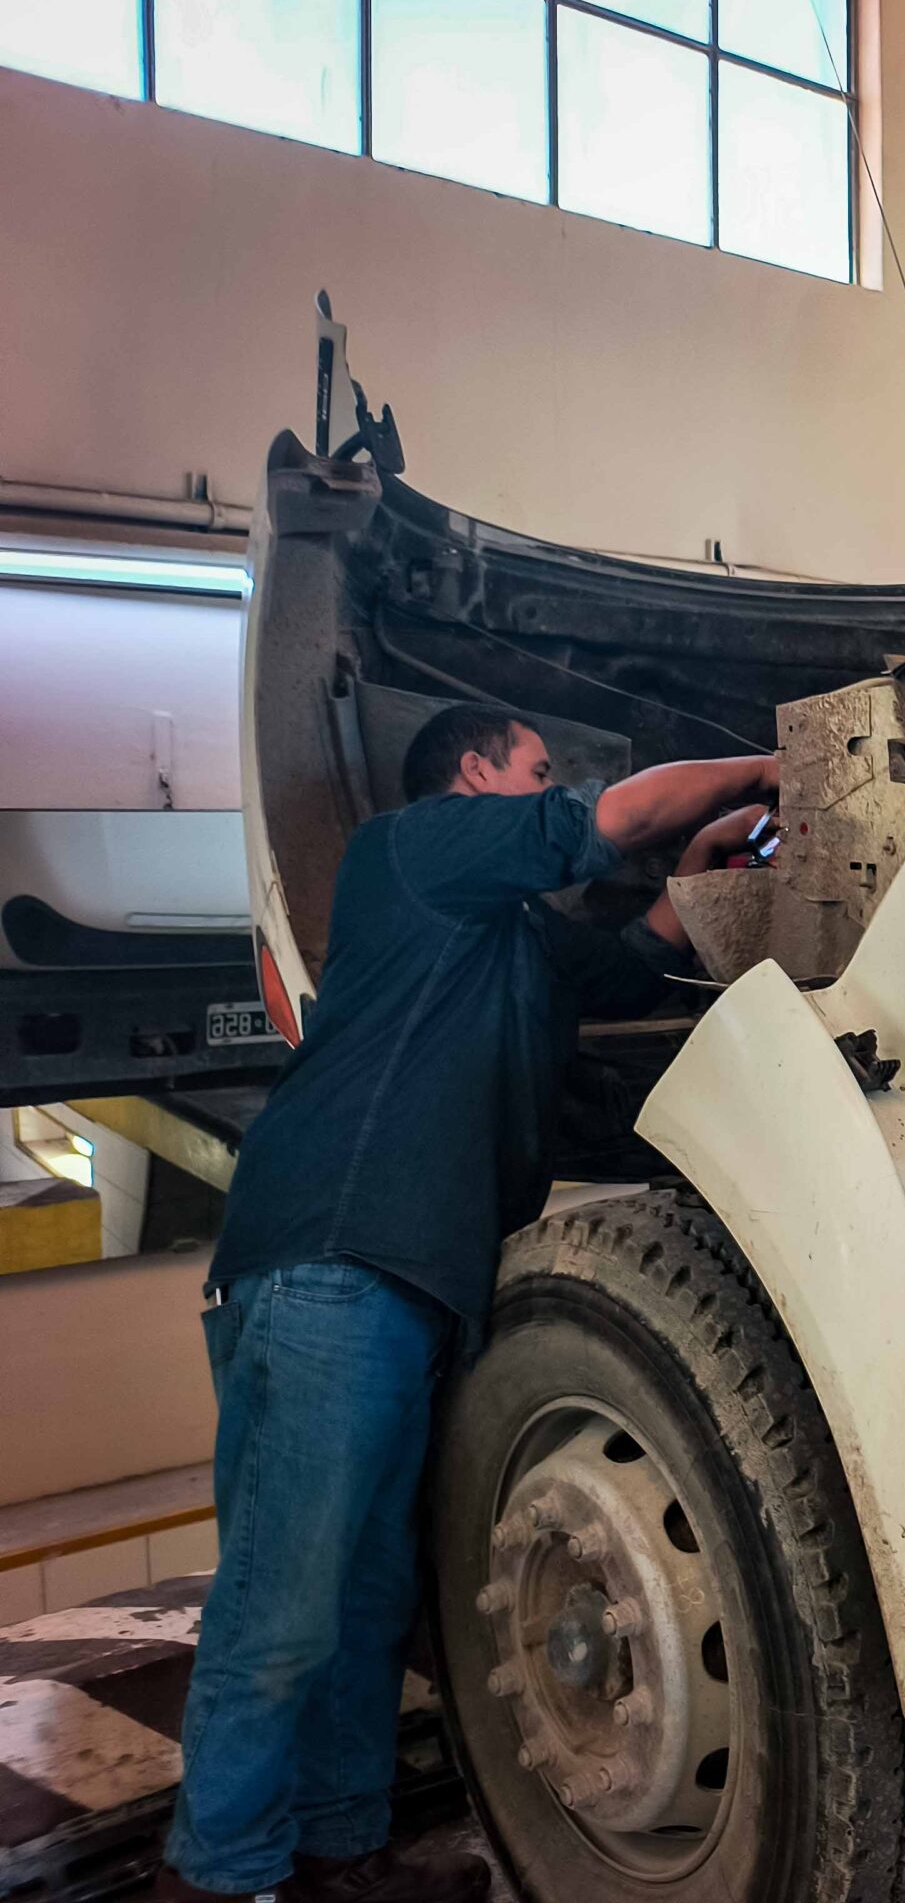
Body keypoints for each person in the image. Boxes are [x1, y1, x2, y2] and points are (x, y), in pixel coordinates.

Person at [154, 706, 777, 1903]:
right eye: (538, 769)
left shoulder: (513, 935)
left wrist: (712, 864)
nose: (555, 784)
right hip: (331, 1261)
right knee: (285, 1604)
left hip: (417, 1286)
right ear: (475, 773)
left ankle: (342, 1852)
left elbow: (635, 955)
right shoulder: (411, 847)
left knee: (369, 1602)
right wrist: (767, 762)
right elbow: (615, 820)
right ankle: (217, 1875)